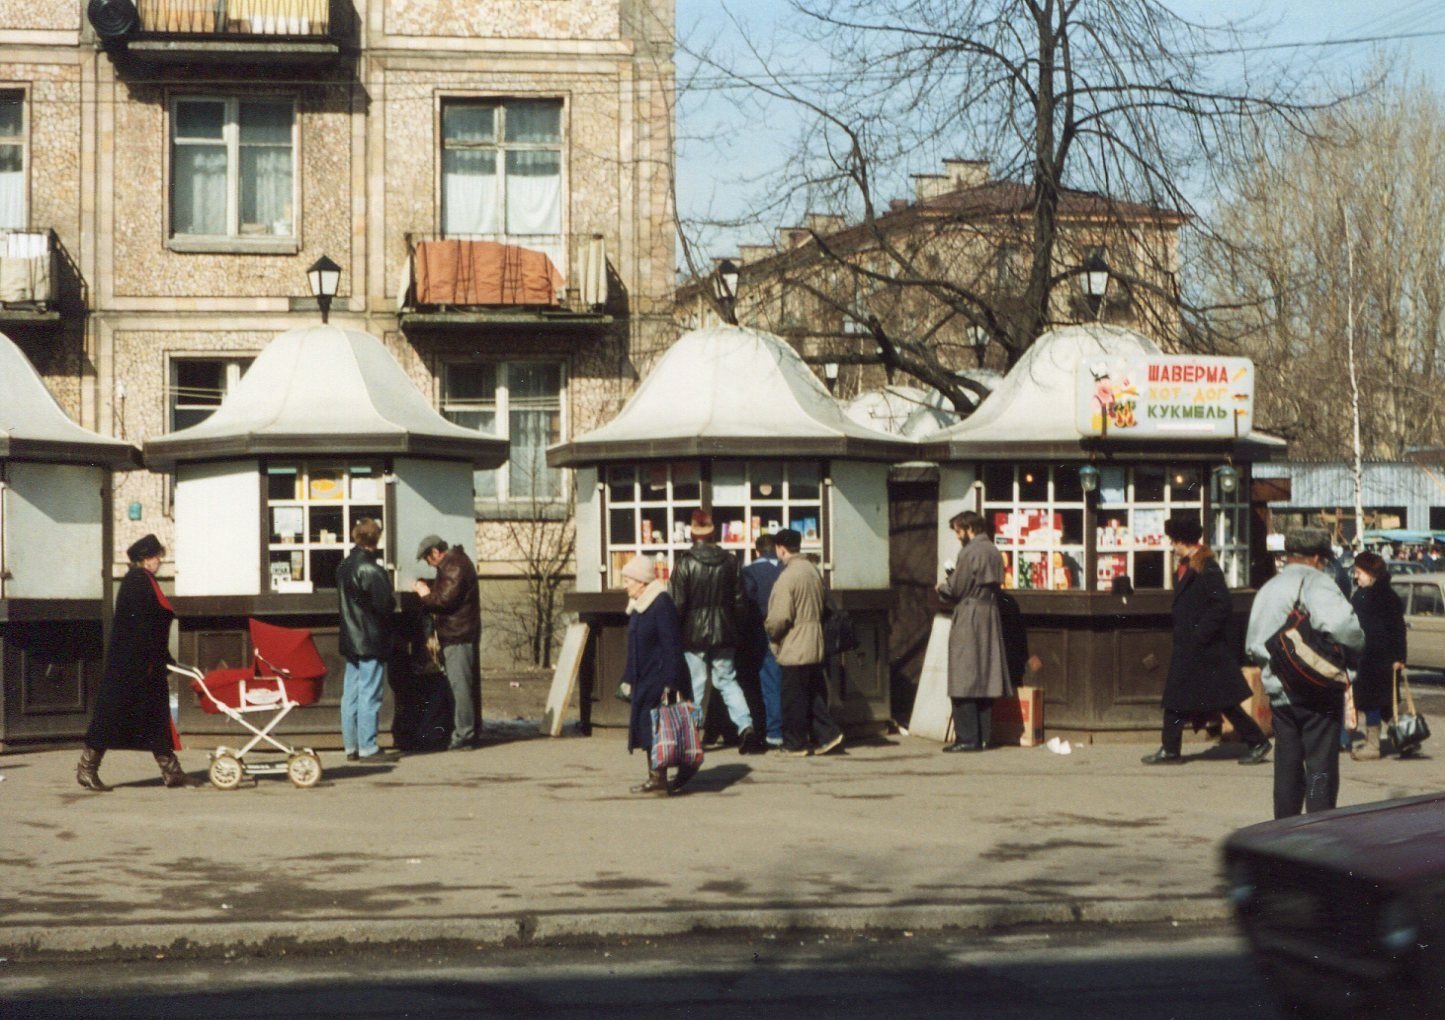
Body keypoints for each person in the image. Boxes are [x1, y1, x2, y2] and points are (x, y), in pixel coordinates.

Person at [1246, 527, 1365, 819]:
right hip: (1317, 690)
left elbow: (1253, 644)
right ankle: (1319, 824)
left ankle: (1284, 827)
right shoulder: (1317, 584)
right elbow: (1345, 629)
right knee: (1320, 765)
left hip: (1279, 690)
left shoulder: (1269, 588)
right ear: (1315, 557)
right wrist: (1358, 647)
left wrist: (1277, 668)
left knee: (1286, 762)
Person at [1142, 516, 1272, 765]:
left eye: (1174, 541)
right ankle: (1254, 741)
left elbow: (1221, 605)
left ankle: (1256, 741)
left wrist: (1199, 634)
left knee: (1200, 700)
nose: (1172, 546)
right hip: (1195, 648)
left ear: (1183, 542)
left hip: (1204, 649)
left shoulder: (1207, 568)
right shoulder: (1188, 565)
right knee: (1192, 700)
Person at [76, 534, 194, 791]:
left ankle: (172, 772)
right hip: (134, 665)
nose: (159, 561)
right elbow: (145, 626)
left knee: (154, 715)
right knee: (113, 715)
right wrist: (157, 658)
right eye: (155, 556)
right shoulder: (139, 582)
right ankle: (87, 768)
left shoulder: (141, 581)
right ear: (144, 559)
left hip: (140, 663)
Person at [670, 509, 761, 753]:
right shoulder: (731, 562)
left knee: (696, 684)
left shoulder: (684, 563)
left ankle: (691, 737)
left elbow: (677, 604)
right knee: (728, 681)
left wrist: (674, 635)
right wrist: (736, 629)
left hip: (692, 635)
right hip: (725, 631)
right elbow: (741, 602)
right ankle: (746, 727)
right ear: (713, 533)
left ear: (692, 533)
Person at [936, 511, 1012, 753]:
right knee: (985, 675)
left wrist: (942, 587)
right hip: (990, 614)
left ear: (969, 528)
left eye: (958, 531)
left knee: (963, 675)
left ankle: (967, 737)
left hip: (970, 614)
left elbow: (956, 588)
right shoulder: (992, 550)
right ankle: (984, 737)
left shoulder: (969, 552)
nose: (958, 537)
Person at [765, 527, 844, 757]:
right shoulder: (812, 570)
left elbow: (780, 617)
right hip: (815, 640)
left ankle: (795, 743)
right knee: (813, 695)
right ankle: (829, 736)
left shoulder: (787, 577)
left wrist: (771, 631)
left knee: (793, 697)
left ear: (781, 549)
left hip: (794, 644)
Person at [619, 555, 694, 795]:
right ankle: (658, 776)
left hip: (659, 677)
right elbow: (634, 647)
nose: (624, 585)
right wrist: (628, 678)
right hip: (644, 677)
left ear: (641, 581)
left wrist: (671, 682)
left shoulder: (660, 603)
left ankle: (665, 775)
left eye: (627, 579)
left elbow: (671, 644)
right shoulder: (639, 605)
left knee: (655, 726)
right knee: (648, 726)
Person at [336, 518, 398, 764]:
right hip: (370, 638)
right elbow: (385, 605)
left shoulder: (343, 566)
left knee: (350, 693)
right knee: (369, 694)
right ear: (376, 538)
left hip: (350, 637)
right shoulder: (372, 569)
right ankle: (368, 746)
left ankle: (350, 745)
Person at [413, 535, 482, 750]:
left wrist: (424, 594)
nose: (427, 563)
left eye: (427, 558)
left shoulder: (454, 566)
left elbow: (445, 599)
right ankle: (464, 732)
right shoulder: (455, 563)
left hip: (458, 635)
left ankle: (464, 735)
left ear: (435, 552)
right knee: (459, 685)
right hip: (458, 634)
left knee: (460, 687)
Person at [1348, 551, 1406, 761]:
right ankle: (1405, 738)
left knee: (1374, 702)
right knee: (1385, 703)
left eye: (1359, 572)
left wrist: (1399, 657)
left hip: (1376, 660)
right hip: (1377, 659)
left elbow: (1397, 629)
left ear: (1371, 573)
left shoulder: (1374, 597)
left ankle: (1373, 746)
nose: (1356, 577)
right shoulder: (1378, 595)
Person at [740, 533, 785, 748]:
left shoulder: (750, 572)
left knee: (768, 680)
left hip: (761, 629)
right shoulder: (786, 568)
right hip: (790, 630)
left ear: (757, 551)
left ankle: (773, 731)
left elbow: (746, 603)